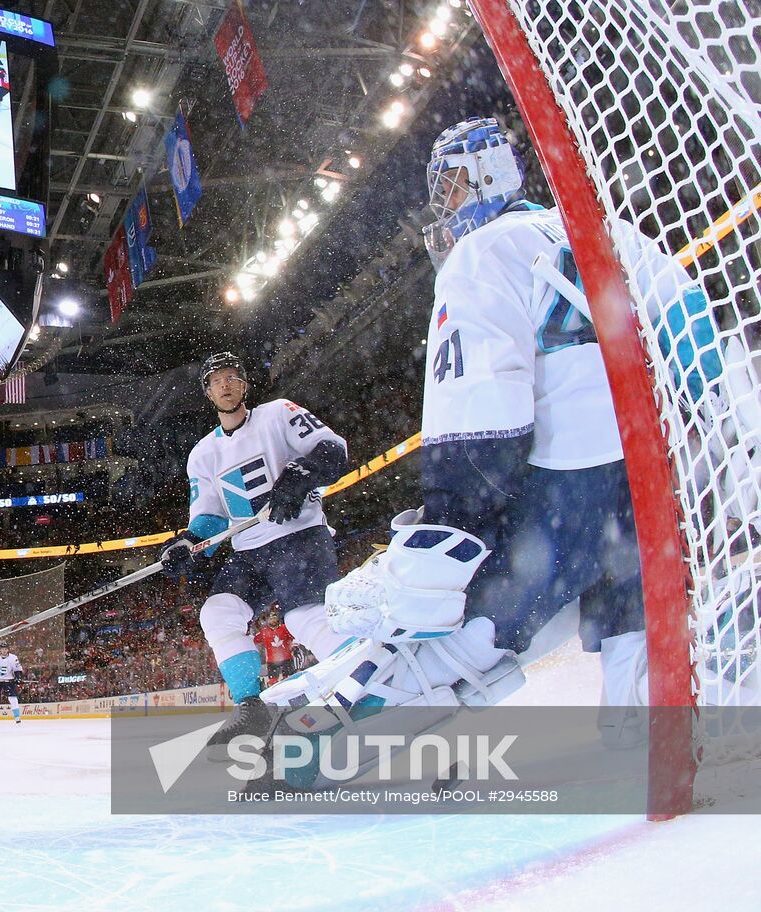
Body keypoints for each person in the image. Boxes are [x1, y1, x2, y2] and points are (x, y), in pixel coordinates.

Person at [265, 116, 715, 770]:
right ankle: (652, 741)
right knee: (635, 631)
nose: (444, 206)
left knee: (467, 635)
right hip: (653, 484)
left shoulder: (484, 252)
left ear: (484, 176)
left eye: (448, 187)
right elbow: (701, 346)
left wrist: (443, 539)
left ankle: (320, 739)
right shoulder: (616, 235)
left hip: (566, 493)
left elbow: (483, 412)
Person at [158, 351, 349, 754]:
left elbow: (333, 449)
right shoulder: (202, 454)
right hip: (249, 550)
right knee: (217, 613)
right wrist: (186, 542)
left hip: (299, 536)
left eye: (232, 377)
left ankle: (366, 678)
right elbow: (209, 517)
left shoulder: (278, 413)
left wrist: (301, 476)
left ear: (244, 384)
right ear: (208, 393)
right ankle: (251, 706)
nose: (225, 384)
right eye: (216, 380)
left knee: (305, 618)